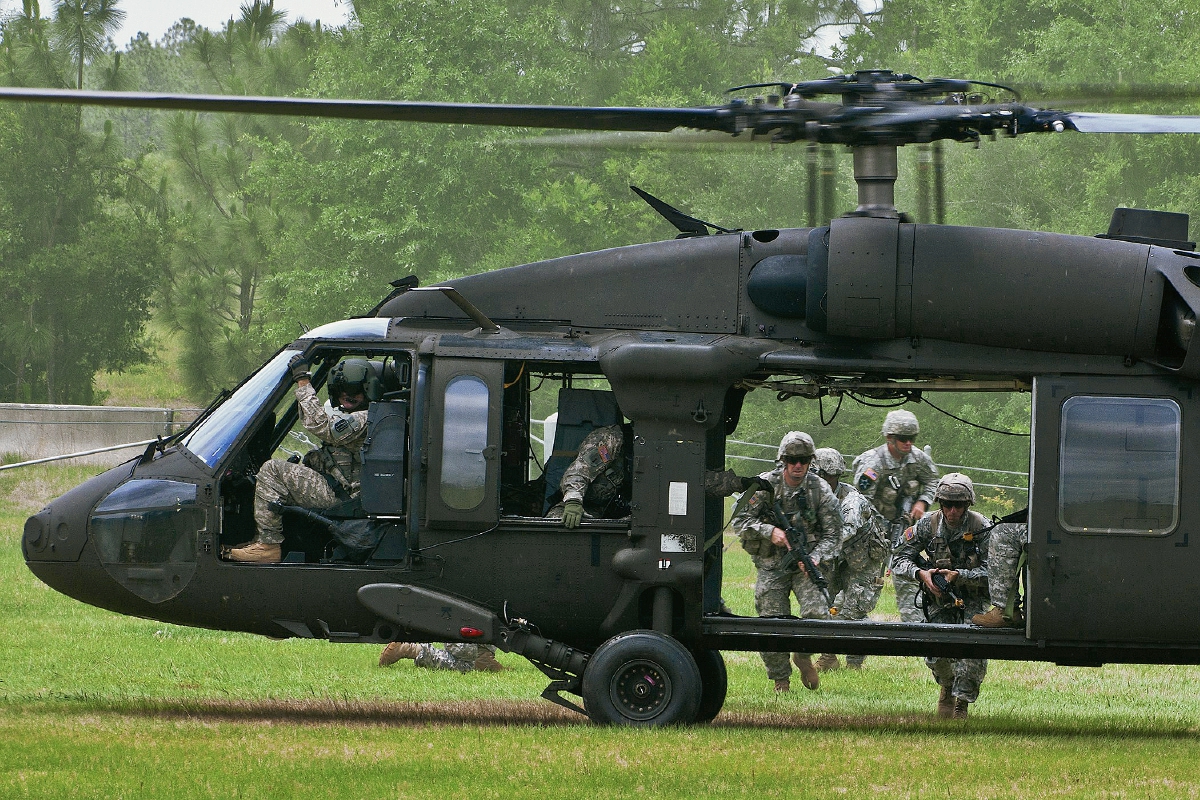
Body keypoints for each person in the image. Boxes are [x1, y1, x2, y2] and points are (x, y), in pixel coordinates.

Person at [229, 355, 371, 563]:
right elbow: (315, 422)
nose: (348, 396)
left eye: (356, 391)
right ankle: (259, 540)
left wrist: (303, 381)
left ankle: (268, 546)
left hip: (348, 497)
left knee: (272, 470)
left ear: (368, 390)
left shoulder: (365, 418)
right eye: (343, 389)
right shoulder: (362, 416)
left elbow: (322, 427)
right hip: (345, 489)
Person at [732, 431, 843, 693]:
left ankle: (803, 655)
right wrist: (770, 532)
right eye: (792, 460)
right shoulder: (763, 486)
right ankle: (781, 680)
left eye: (803, 460)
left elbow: (834, 535)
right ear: (782, 460)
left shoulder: (820, 489)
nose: (798, 466)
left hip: (806, 564)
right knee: (770, 621)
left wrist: (815, 557)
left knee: (817, 616)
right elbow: (739, 521)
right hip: (772, 564)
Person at [891, 473, 991, 719]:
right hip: (938, 599)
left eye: (958, 505)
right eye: (947, 504)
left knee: (973, 651)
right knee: (936, 650)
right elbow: (899, 558)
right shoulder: (928, 525)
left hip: (973, 599)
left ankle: (961, 704)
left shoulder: (982, 528)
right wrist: (921, 574)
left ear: (968, 505)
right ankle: (947, 687)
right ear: (940, 504)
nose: (952, 510)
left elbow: (996, 571)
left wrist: (960, 576)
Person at [851, 409, 939, 624]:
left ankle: (916, 628)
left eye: (912, 438)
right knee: (864, 584)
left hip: (905, 527)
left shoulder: (918, 458)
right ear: (889, 438)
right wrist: (878, 529)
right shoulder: (873, 464)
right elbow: (860, 500)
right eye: (902, 439)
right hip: (873, 531)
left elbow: (932, 481)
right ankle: (850, 622)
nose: (908, 443)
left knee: (907, 576)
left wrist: (922, 502)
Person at [810, 448, 890, 672]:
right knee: (825, 605)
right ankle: (831, 657)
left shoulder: (852, 501)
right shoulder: (814, 497)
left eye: (819, 476)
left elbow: (847, 529)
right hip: (836, 558)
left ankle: (850, 661)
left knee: (853, 610)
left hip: (864, 560)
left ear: (831, 476)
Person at [971, 522, 1028, 628]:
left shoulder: (978, 522)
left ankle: (1005, 612)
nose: (953, 510)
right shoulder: (932, 521)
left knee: (1002, 531)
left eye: (958, 505)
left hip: (1046, 530)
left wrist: (959, 574)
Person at [379, 642, 506, 673]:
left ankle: (409, 648)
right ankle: (409, 649)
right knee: (467, 666)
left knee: (468, 664)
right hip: (468, 640)